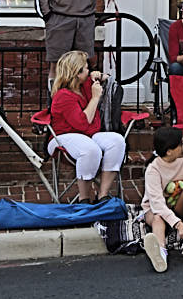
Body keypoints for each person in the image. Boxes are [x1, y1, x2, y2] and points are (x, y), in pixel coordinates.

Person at [47, 50, 125, 203]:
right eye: (86, 68)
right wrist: (95, 98)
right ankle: (84, 199)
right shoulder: (63, 96)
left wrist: (100, 76)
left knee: (117, 141)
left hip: (90, 135)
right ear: (77, 73)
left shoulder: (84, 86)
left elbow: (108, 80)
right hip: (63, 137)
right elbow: (83, 123)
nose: (88, 70)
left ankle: (103, 194)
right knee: (90, 150)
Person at [141, 126, 183, 273]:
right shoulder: (153, 169)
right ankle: (160, 252)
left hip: (178, 204)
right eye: (181, 143)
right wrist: (179, 224)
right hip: (156, 208)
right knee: (157, 218)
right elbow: (157, 205)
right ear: (169, 151)